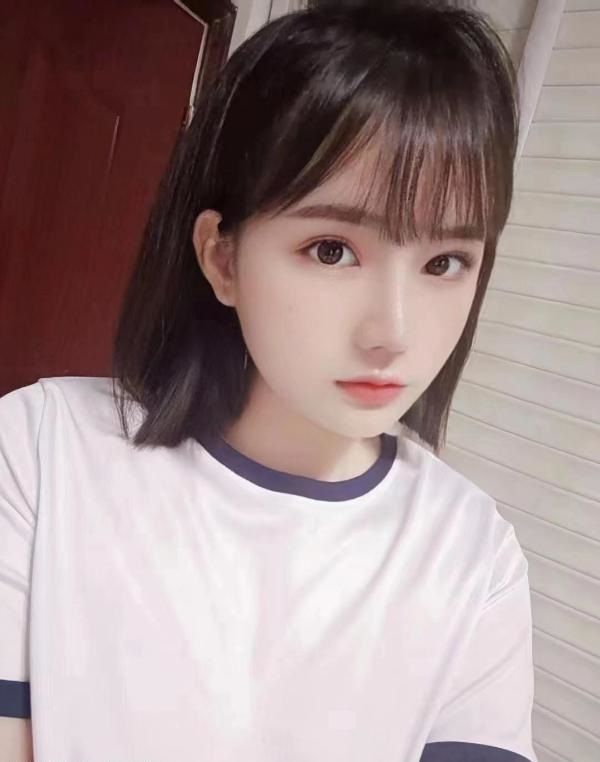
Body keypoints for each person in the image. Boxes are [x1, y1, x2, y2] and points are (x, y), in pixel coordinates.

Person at [0, 1, 538, 760]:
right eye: (331, 250)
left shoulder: (472, 554)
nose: (393, 331)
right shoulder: (43, 451)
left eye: (445, 262)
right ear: (222, 258)